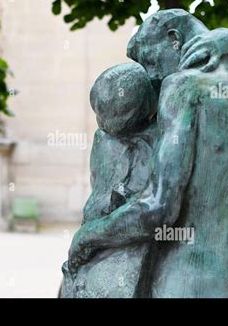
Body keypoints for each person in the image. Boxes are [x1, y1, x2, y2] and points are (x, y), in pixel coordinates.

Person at [67, 9, 228, 298]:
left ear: (174, 39)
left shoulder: (183, 88)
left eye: (151, 62)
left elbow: (157, 208)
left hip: (189, 285)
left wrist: (86, 236)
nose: (152, 78)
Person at [61, 62, 158, 297]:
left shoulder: (159, 140)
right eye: (98, 114)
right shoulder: (104, 140)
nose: (101, 123)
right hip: (106, 232)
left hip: (129, 238)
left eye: (110, 117)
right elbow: (100, 199)